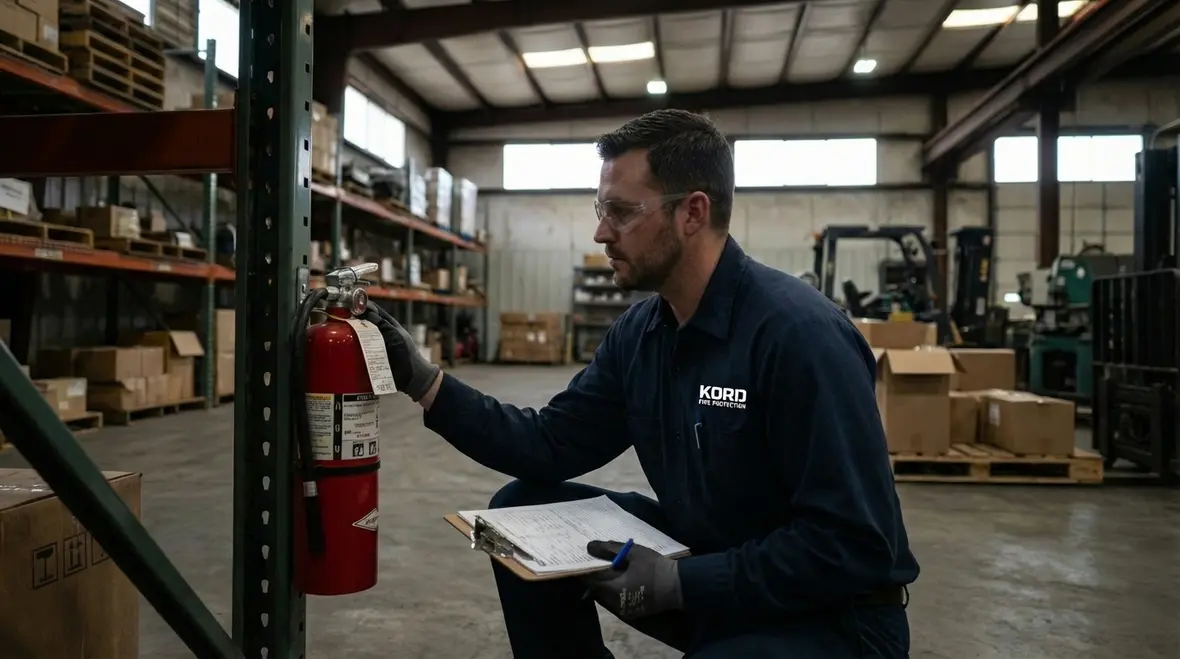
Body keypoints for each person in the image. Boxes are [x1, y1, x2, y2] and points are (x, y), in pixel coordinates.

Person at [361, 109, 918, 658]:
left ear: (692, 213)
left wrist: (682, 585)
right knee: (518, 513)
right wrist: (424, 381)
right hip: (709, 566)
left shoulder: (798, 336)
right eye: (601, 209)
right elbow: (551, 443)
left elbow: (854, 543)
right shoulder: (644, 332)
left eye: (622, 212)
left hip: (830, 617)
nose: (602, 232)